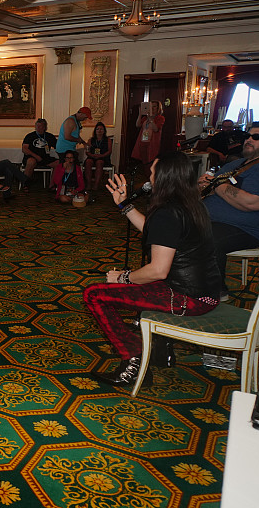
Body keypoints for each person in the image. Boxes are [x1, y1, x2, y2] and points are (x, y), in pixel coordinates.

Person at [84, 152, 220, 386]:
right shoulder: (192, 204)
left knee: (94, 295)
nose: (149, 176)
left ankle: (133, 360)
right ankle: (155, 347)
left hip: (186, 297)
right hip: (205, 293)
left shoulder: (168, 212)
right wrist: (124, 205)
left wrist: (123, 278)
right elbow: (157, 232)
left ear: (165, 177)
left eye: (153, 172)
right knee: (133, 285)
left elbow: (158, 271)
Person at [200, 121, 259, 300]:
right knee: (171, 223)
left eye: (256, 137)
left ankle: (217, 292)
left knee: (204, 236)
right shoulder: (237, 164)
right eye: (247, 136)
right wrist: (201, 185)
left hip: (247, 228)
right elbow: (210, 187)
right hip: (213, 219)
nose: (249, 140)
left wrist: (216, 185)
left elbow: (253, 203)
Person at [131, 101, 165, 175]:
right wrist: (140, 114)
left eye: (154, 106)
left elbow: (156, 129)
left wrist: (151, 119)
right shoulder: (145, 118)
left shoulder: (160, 118)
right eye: (151, 106)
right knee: (144, 162)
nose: (152, 108)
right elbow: (138, 125)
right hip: (143, 141)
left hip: (153, 143)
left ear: (158, 108)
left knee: (152, 161)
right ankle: (146, 177)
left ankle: (151, 178)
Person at [22, 118, 58, 184]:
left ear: (44, 127)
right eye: (37, 126)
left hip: (44, 158)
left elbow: (58, 147)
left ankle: (52, 185)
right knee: (31, 161)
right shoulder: (30, 136)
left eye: (40, 126)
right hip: (32, 157)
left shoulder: (49, 136)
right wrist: (36, 156)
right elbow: (24, 149)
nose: (38, 128)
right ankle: (25, 184)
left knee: (58, 163)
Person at [83, 121, 113, 191]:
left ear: (104, 131)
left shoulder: (108, 140)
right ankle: (89, 183)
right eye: (97, 129)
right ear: (95, 130)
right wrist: (92, 155)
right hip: (92, 157)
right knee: (88, 162)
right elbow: (87, 151)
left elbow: (109, 151)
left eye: (101, 129)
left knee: (99, 162)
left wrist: (101, 155)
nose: (99, 131)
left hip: (103, 157)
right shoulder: (91, 140)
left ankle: (96, 184)